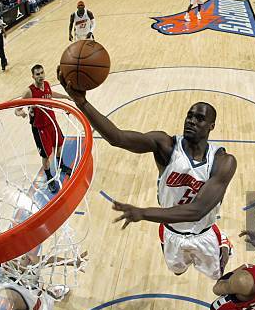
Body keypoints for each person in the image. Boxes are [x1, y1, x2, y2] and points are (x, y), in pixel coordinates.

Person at [59, 70, 234, 280]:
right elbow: (118, 138)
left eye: (200, 118)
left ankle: (223, 242)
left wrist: (143, 213)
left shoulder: (223, 161)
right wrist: (82, 103)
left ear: (211, 126)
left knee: (217, 274)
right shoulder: (165, 145)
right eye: (189, 115)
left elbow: (196, 211)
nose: (191, 121)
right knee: (177, 271)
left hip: (203, 233)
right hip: (171, 231)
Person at [15, 65, 73, 194]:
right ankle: (49, 177)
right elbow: (16, 109)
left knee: (59, 145)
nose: (40, 76)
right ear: (33, 76)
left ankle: (61, 165)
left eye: (42, 73)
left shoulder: (46, 84)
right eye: (37, 74)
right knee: (46, 156)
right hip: (40, 128)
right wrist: (23, 113)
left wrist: (66, 97)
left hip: (52, 123)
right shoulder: (29, 92)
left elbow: (50, 94)